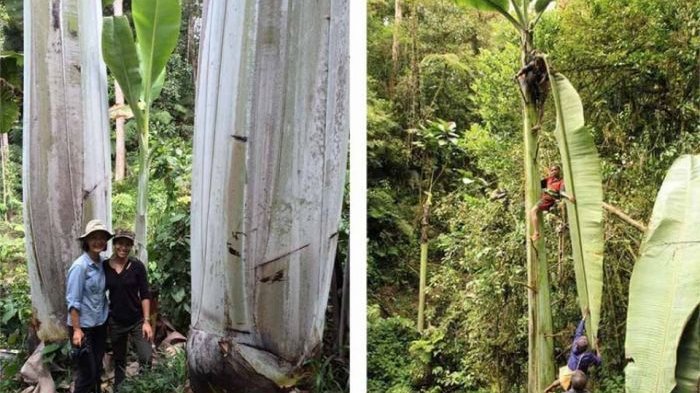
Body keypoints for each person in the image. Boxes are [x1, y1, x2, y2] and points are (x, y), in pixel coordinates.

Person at [66, 219, 112, 393]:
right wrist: (77, 330)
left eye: (102, 238)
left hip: (99, 325)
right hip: (82, 328)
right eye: (94, 237)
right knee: (87, 372)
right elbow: (73, 301)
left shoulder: (102, 264)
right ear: (86, 241)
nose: (98, 241)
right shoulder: (80, 267)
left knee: (97, 369)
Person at [104, 228, 153, 391]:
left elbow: (145, 294)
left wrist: (146, 321)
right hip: (116, 322)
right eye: (120, 243)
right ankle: (120, 389)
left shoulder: (137, 266)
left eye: (127, 244)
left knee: (146, 357)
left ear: (131, 246)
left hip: (137, 320)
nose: (123, 247)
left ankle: (145, 387)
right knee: (119, 362)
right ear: (114, 244)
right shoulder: (105, 266)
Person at [544, 310, 602, 392]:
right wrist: (596, 346)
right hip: (577, 375)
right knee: (576, 387)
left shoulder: (575, 344)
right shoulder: (587, 356)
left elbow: (579, 331)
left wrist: (584, 317)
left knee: (560, 380)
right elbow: (598, 361)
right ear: (585, 348)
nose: (583, 337)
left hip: (568, 369)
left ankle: (547, 389)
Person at [530, 165, 575, 241]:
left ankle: (536, 233)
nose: (553, 171)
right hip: (546, 199)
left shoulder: (561, 181)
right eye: (552, 170)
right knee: (547, 216)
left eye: (555, 170)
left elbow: (561, 192)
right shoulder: (549, 179)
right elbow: (538, 184)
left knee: (533, 211)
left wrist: (569, 196)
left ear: (559, 171)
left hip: (549, 199)